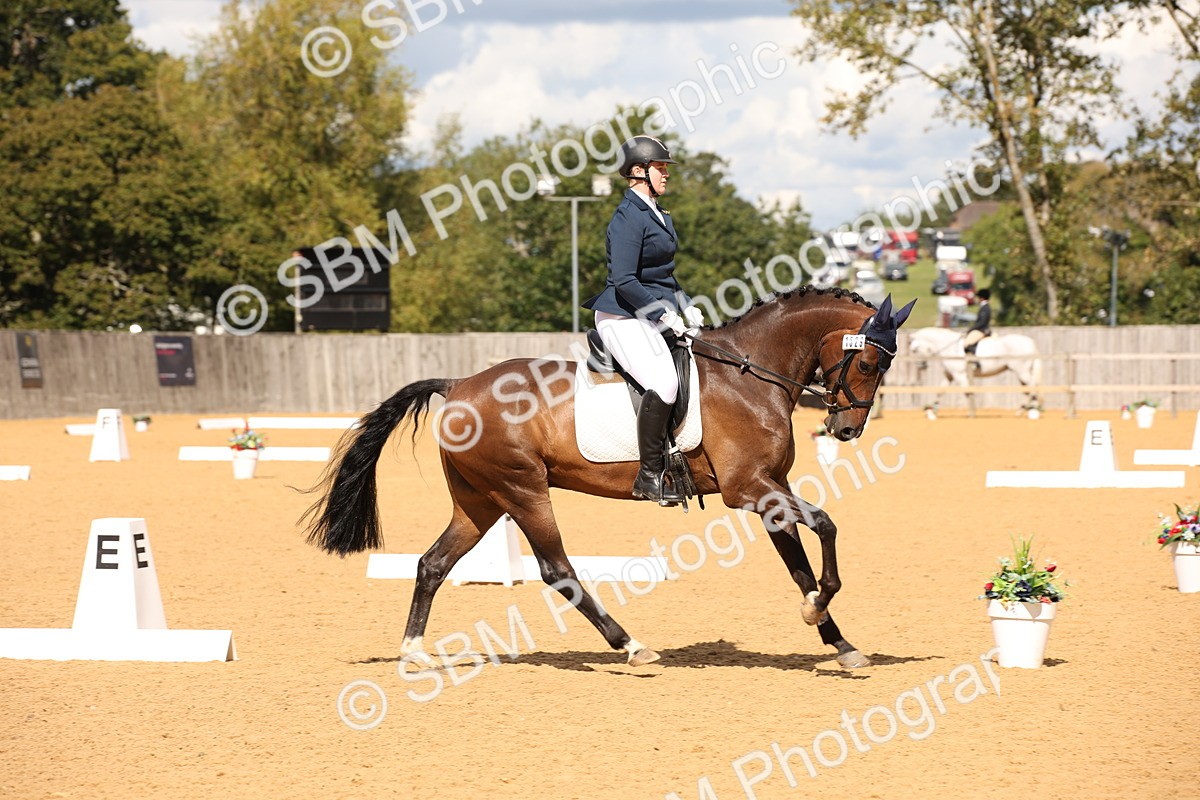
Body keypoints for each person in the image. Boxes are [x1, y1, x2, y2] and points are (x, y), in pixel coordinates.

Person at [582, 135, 704, 506]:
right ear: (639, 171)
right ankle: (649, 475)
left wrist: (685, 304)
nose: (666, 174)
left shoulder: (659, 214)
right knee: (665, 384)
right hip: (622, 316)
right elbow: (625, 280)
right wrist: (664, 313)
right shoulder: (627, 218)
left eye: (666, 167)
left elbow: (664, 275)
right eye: (661, 167)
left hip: (651, 313)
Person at [963, 288, 992, 354]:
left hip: (982, 330)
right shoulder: (984, 307)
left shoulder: (985, 308)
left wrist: (971, 329)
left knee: (967, 343)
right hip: (981, 329)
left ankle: (974, 359)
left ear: (981, 298)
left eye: (978, 297)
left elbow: (981, 323)